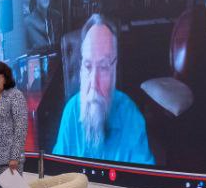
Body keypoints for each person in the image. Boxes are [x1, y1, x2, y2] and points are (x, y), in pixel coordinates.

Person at [52, 14, 155, 166]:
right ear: (81, 70)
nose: (94, 83)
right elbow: (57, 173)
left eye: (104, 67)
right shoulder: (71, 112)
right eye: (88, 66)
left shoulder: (131, 116)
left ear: (114, 69)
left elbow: (144, 178)